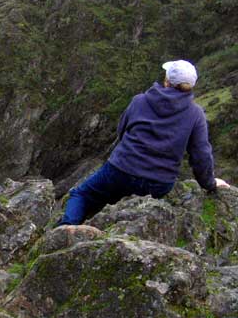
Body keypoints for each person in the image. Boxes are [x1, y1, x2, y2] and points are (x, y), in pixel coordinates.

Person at [59, 60, 230, 225]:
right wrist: (210, 183)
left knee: (80, 194)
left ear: (167, 80)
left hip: (121, 170)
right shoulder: (196, 114)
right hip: (159, 184)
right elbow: (201, 154)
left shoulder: (140, 100)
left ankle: (66, 228)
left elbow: (122, 131)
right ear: (191, 85)